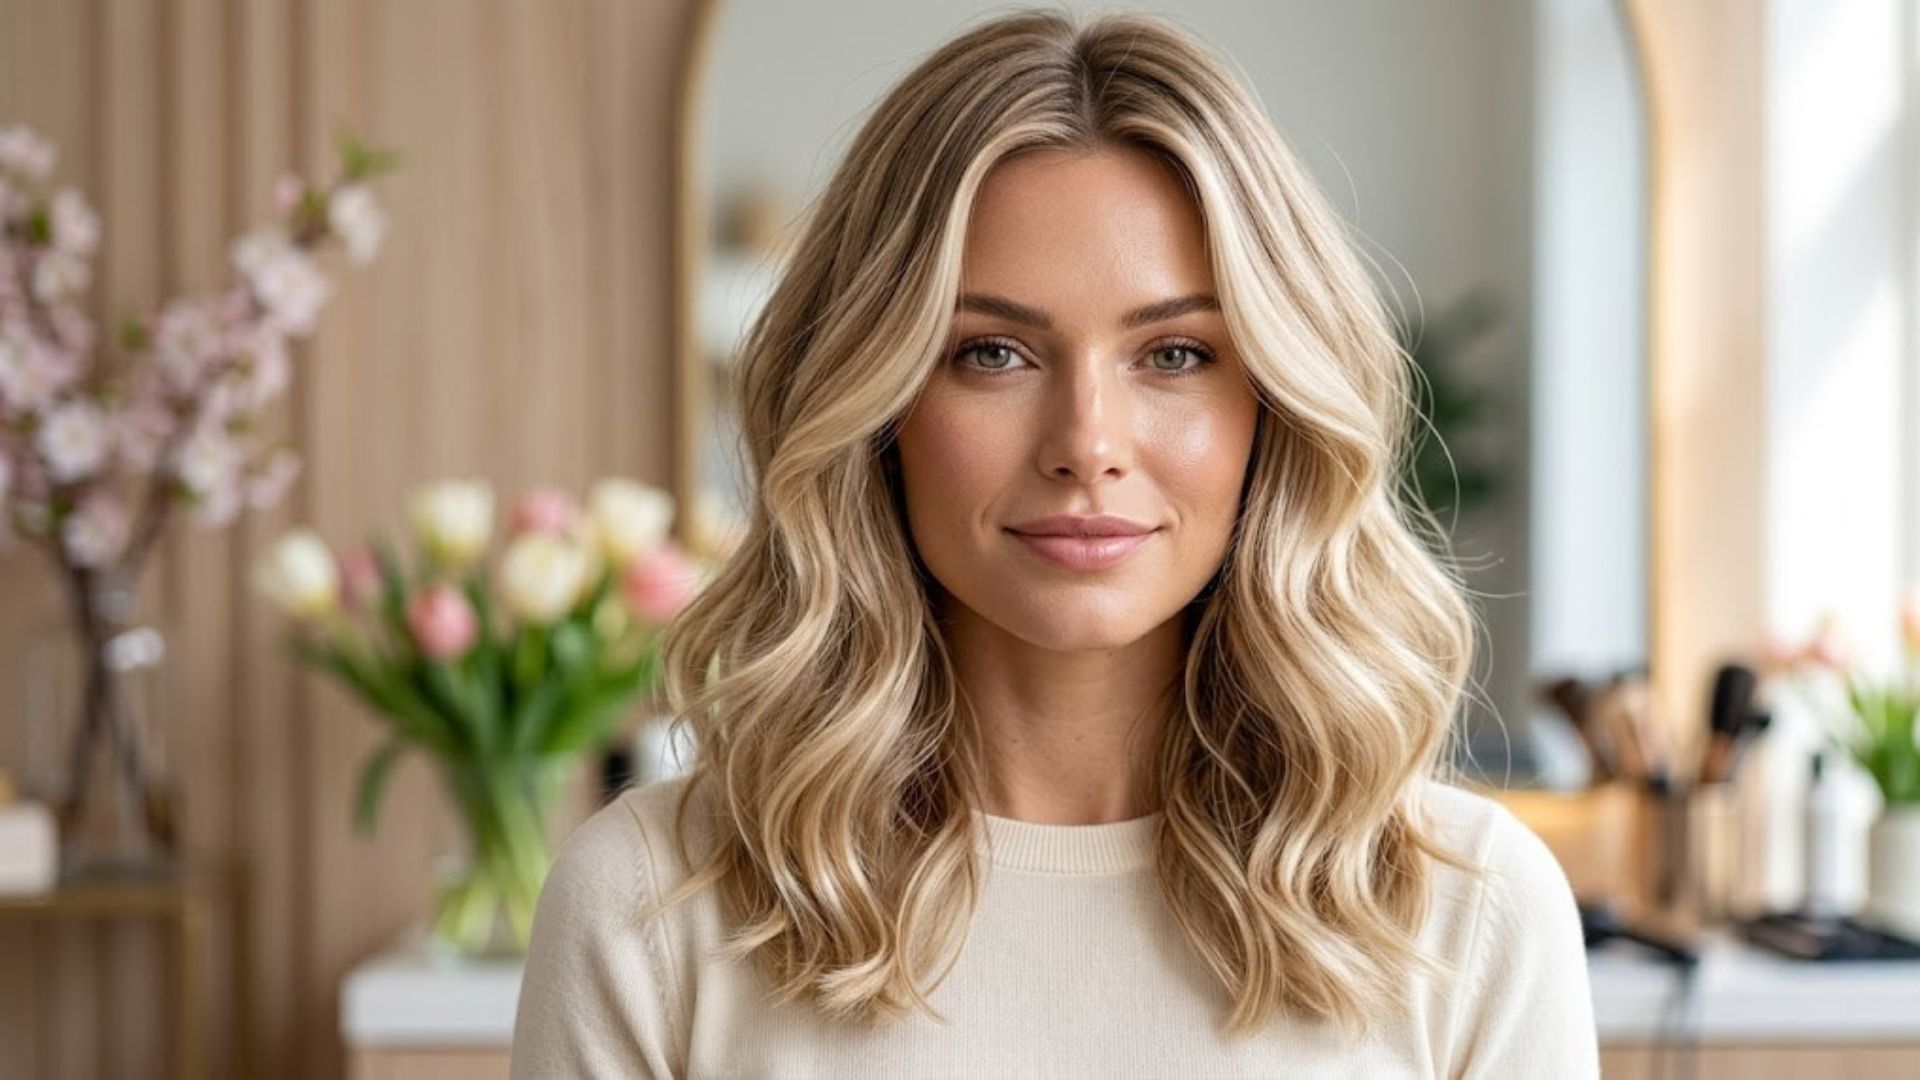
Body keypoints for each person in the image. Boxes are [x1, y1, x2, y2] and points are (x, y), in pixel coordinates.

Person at [510, 8, 1599, 1077]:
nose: (1087, 445)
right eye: (992, 353)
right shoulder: (650, 906)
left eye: (1173, 355)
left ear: (1273, 405)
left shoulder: (1470, 912)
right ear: (876, 409)